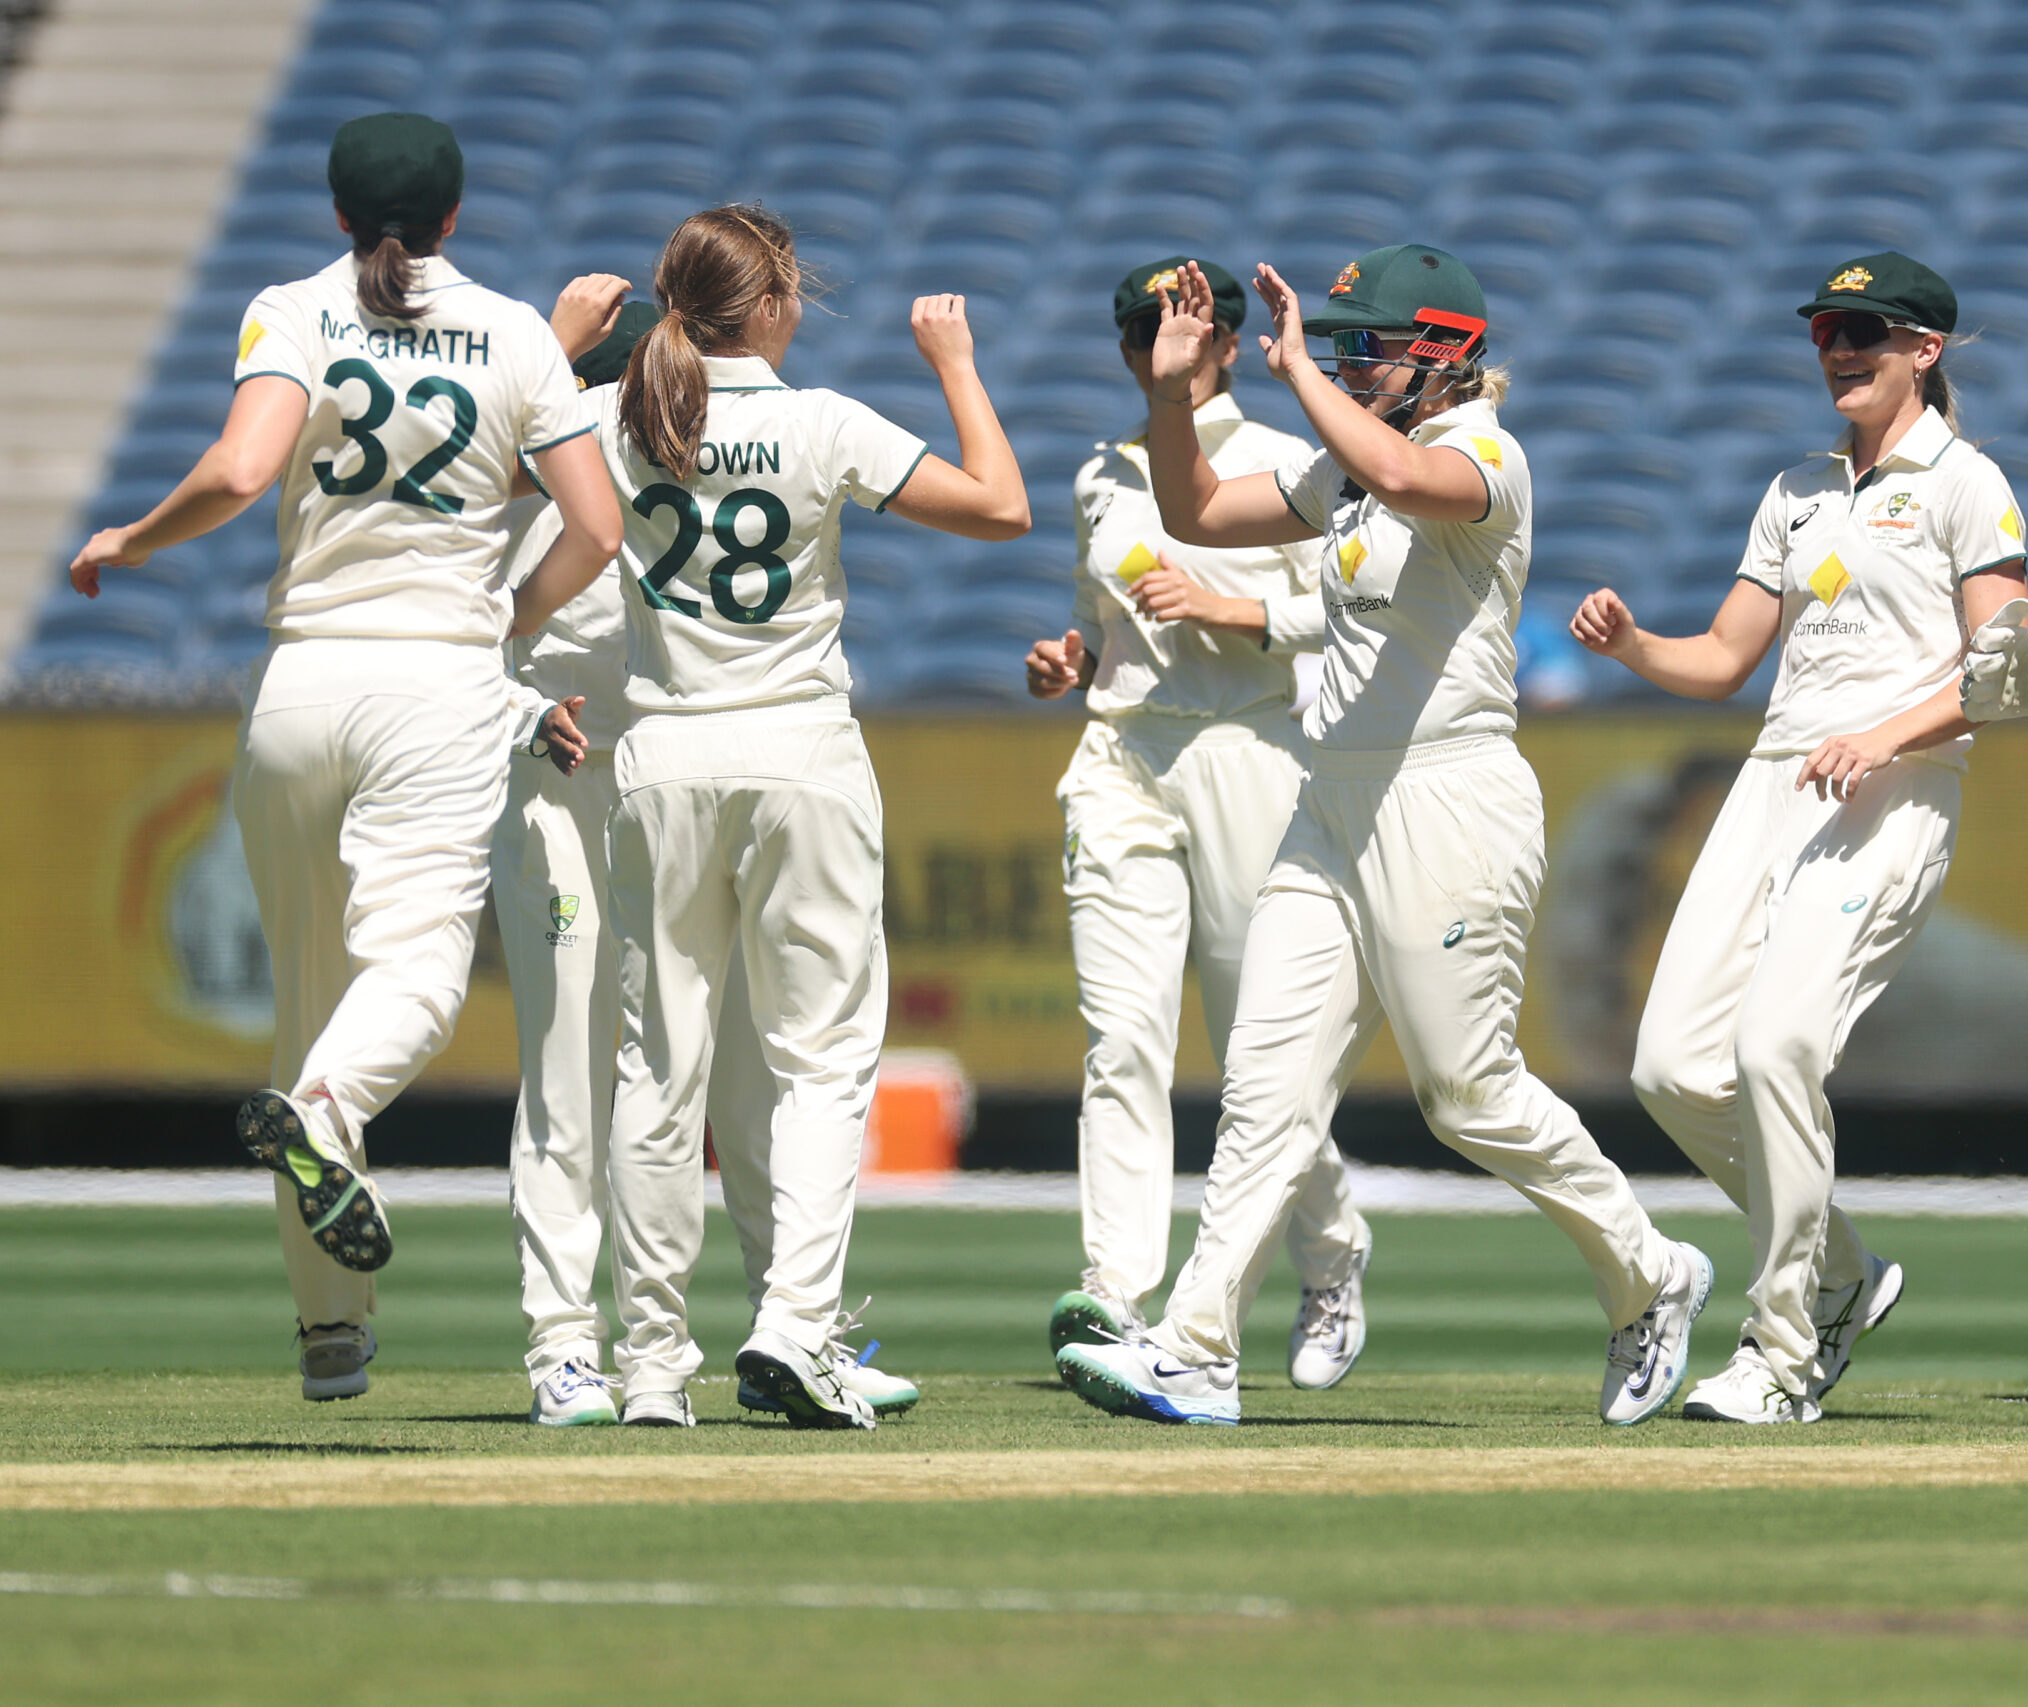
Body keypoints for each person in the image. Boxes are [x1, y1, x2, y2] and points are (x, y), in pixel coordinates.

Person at [1054, 248, 1709, 1427]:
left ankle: (1652, 1271)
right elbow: (1196, 507)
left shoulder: (1483, 455)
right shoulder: (1345, 467)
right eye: (1342, 342)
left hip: (1447, 798)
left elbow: (1409, 477)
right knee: (1263, 1086)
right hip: (1331, 799)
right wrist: (1168, 398)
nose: (1354, 363)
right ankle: (1197, 1350)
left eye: (1371, 345)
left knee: (1467, 1096)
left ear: (1446, 351)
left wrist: (1298, 367)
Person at [67, 112, 619, 1402]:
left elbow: (240, 469)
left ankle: (330, 1333)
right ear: (455, 217)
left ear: (335, 215)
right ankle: (321, 1125)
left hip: (299, 691)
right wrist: (502, 624)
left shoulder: (295, 308)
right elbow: (591, 524)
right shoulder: (520, 334)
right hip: (432, 688)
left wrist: (130, 543)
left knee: (312, 1014)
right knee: (411, 980)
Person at [1572, 254, 2028, 1424]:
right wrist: (1632, 647)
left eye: (1863, 332)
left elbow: (2005, 672)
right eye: (1826, 329)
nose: (1837, 348)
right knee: (1669, 1065)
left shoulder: (1966, 483)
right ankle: (1840, 1271)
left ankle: (1783, 1355)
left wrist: (1882, 734)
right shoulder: (1795, 489)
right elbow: (1723, 661)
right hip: (1774, 784)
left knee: (1777, 1047)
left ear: (1924, 350)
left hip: (1897, 788)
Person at [598, 205, 1028, 1428]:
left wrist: (565, 335)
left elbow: (503, 497)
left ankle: (646, 1368)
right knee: (822, 1063)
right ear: (777, 303)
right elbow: (1000, 505)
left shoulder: (611, 421)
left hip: (665, 755)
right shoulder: (819, 420)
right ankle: (795, 1324)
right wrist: (954, 364)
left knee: (656, 1069)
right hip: (799, 754)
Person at [492, 286, 920, 1428]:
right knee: (580, 1072)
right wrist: (515, 710)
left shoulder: (631, 450)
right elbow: (455, 588)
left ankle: (795, 1324)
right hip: (564, 791)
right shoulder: (568, 457)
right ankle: (566, 1344)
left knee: (734, 1071)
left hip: (669, 781)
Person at [1023, 257, 1370, 1389]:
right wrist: (1069, 659)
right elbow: (1097, 619)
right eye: (1136, 326)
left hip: (1253, 752)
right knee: (1121, 1039)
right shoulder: (1102, 473)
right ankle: (1118, 1297)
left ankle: (1330, 1254)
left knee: (1254, 1054)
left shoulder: (1287, 463)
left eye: (1176, 321)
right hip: (1124, 754)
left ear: (1224, 338)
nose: (1152, 343)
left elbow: (1359, 612)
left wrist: (1232, 608)